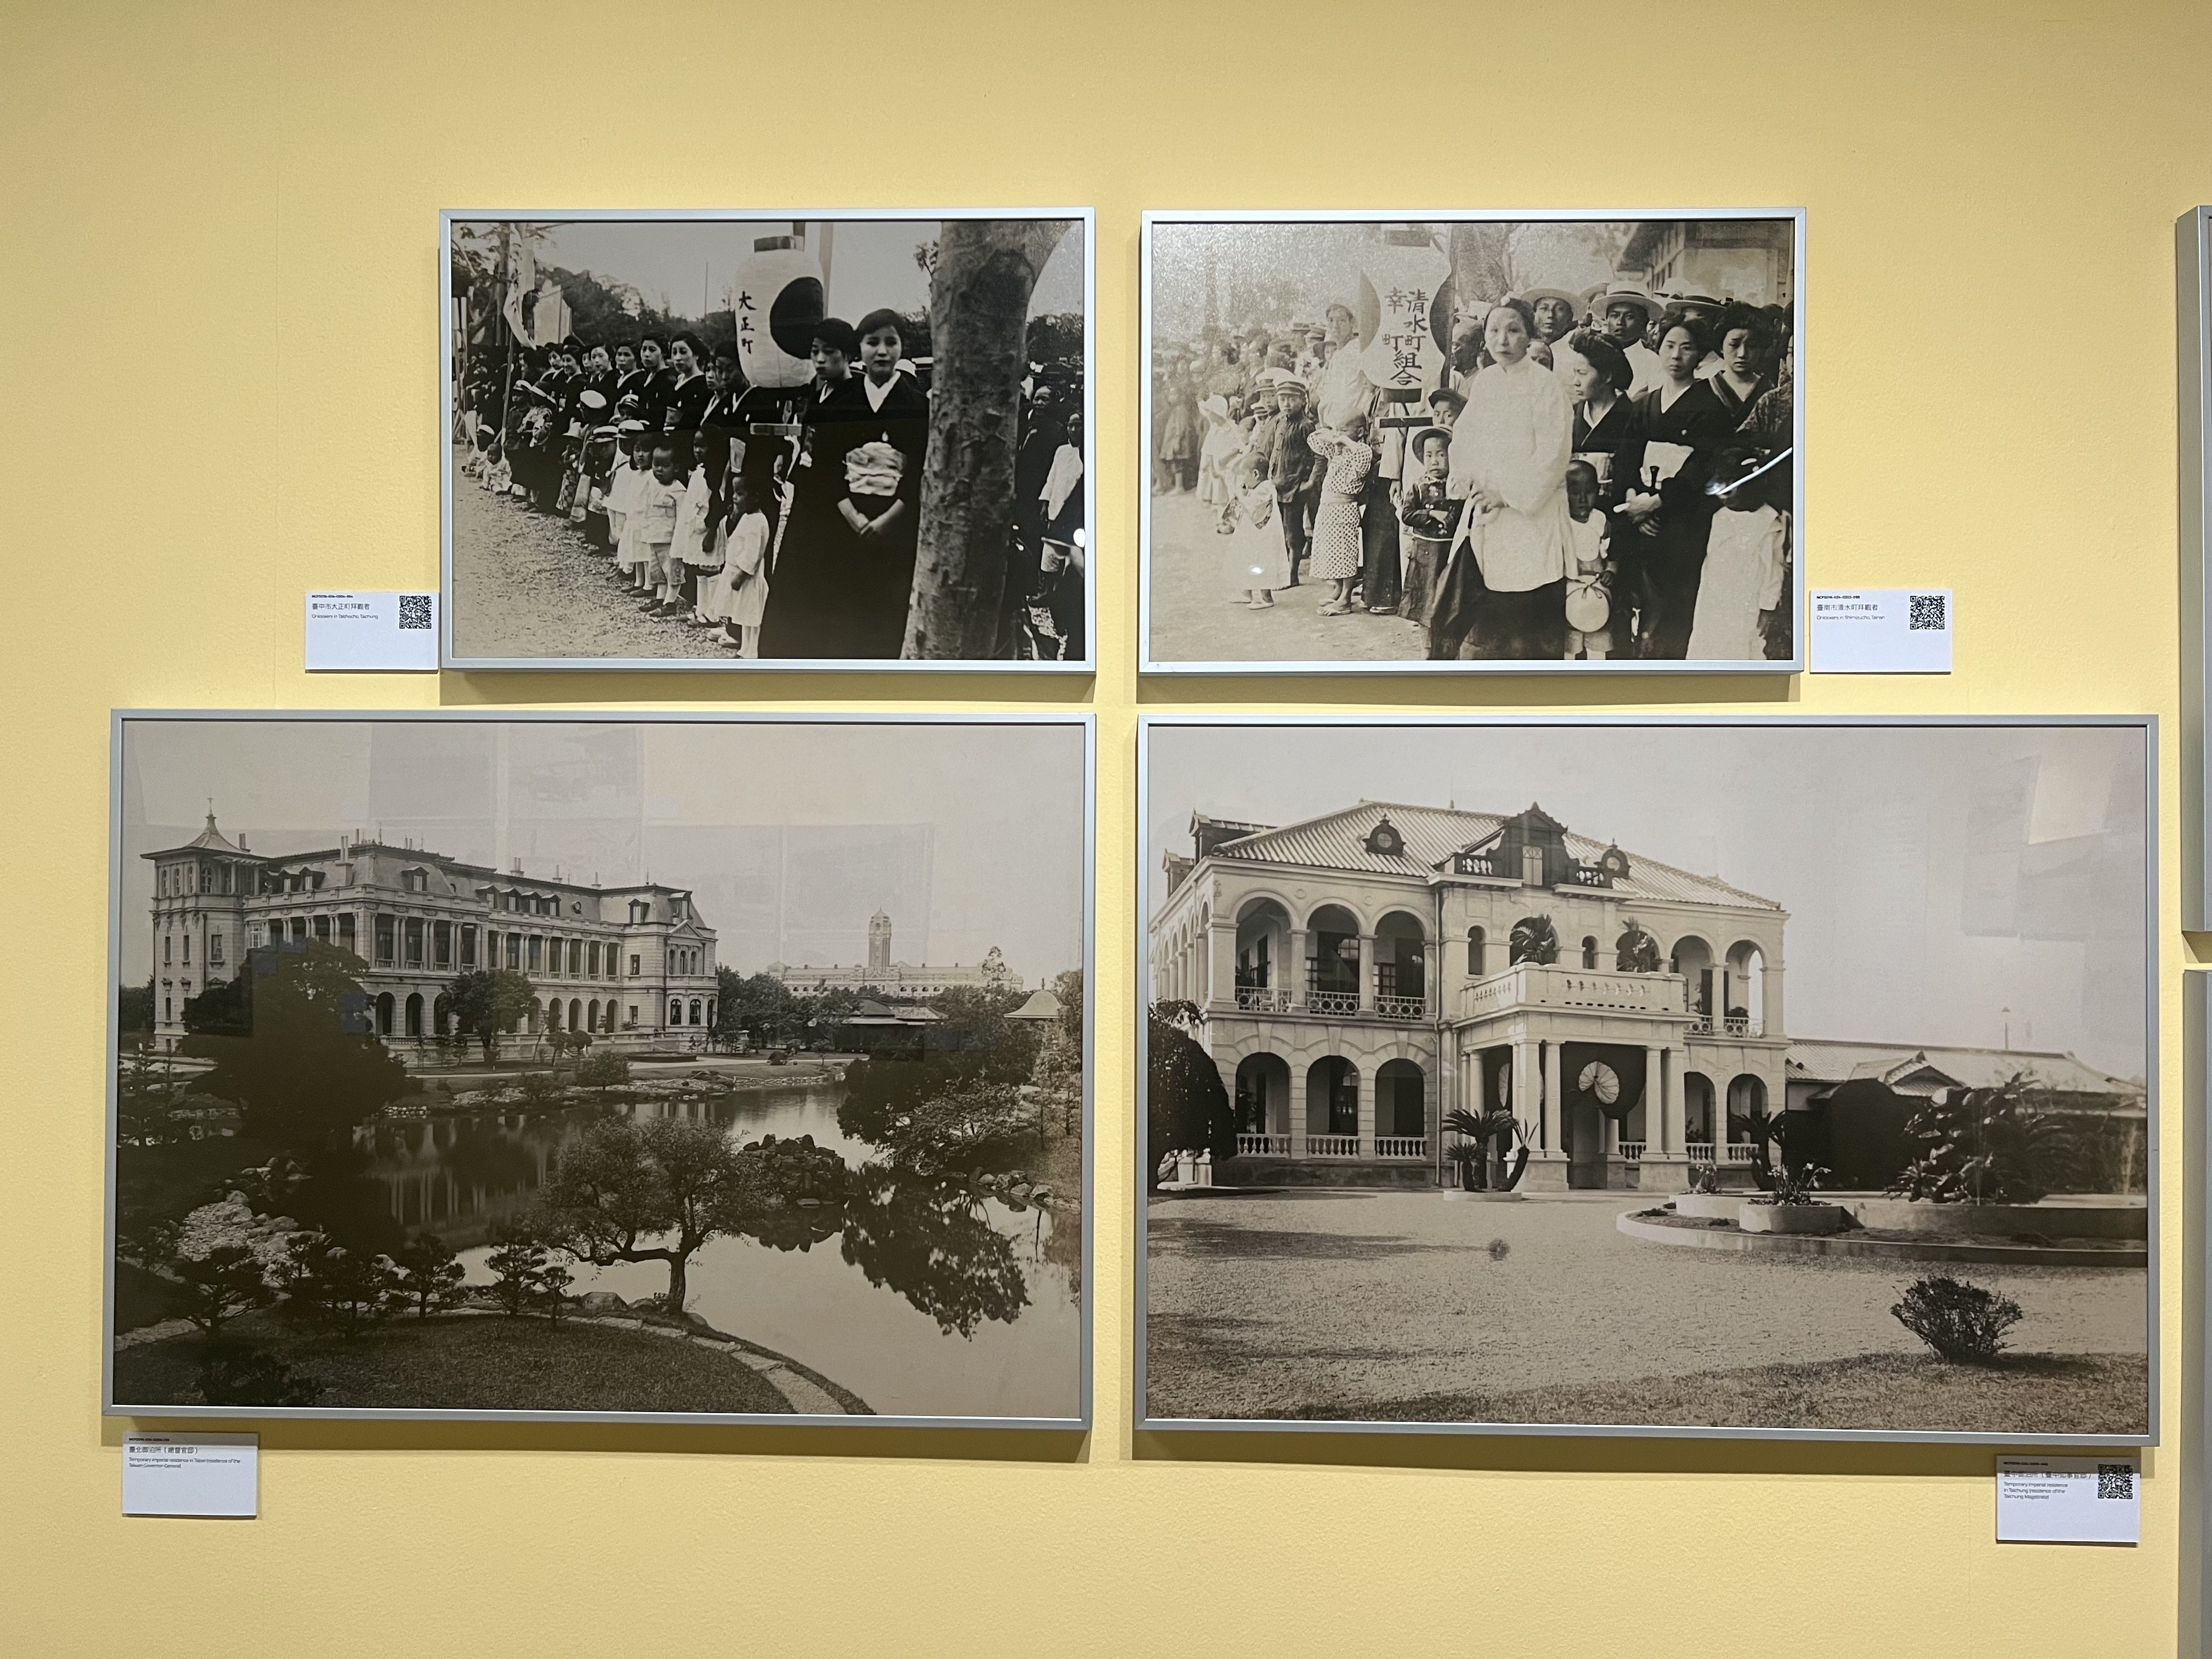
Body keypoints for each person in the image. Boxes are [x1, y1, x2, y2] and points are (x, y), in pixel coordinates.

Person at [1446, 297, 1572, 659]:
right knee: (1491, 610)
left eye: (1514, 330)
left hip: (1529, 514)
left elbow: (1554, 454)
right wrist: (1466, 479)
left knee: (1528, 613)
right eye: (1494, 331)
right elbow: (1466, 437)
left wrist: (1507, 494)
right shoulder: (1486, 382)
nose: (1503, 340)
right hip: (1488, 512)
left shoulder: (1546, 386)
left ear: (1529, 334)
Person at [1631, 314, 1737, 657]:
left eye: (1687, 348)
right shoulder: (1646, 403)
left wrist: (1659, 502)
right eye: (1669, 346)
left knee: (1677, 603)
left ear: (1700, 355)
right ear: (1658, 350)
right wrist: (1635, 502)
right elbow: (1626, 457)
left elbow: (1702, 466)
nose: (1676, 355)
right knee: (1639, 602)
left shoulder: (1710, 406)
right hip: (1641, 516)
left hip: (1682, 521)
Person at [1686, 448, 1787, 659]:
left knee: (1740, 646)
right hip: (1713, 600)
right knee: (1707, 645)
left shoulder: (1768, 521)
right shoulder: (1720, 517)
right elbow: (1711, 560)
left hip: (1745, 601)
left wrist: (1767, 608)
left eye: (1729, 490)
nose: (1723, 498)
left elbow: (1773, 569)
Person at [1306, 413, 1374, 617]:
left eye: (1345, 430)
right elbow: (1313, 439)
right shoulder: (1338, 452)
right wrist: (1332, 434)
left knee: (1345, 553)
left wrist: (1344, 440)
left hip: (1344, 509)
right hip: (1328, 508)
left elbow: (1363, 460)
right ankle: (1337, 588)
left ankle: (1345, 598)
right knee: (1330, 550)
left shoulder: (1361, 451)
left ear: (1360, 432)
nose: (1339, 435)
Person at [1397, 426, 1457, 626]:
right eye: (1429, 455)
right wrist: (1430, 514)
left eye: (1441, 455)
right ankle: (1426, 648)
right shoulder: (1419, 487)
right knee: (1425, 599)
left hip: (1449, 550)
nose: (1434, 461)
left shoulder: (1456, 487)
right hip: (1425, 552)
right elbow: (1406, 514)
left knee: (1448, 598)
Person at [1267, 374, 1321, 589]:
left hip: (1294, 487)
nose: (1287, 404)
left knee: (1293, 533)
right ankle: (1280, 570)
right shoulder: (1279, 422)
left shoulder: (1306, 426)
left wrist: (1311, 482)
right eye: (1283, 399)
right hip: (1277, 484)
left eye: (1292, 399)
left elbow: (1319, 456)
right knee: (1277, 531)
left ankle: (1293, 574)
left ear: (1302, 401)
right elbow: (1273, 452)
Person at [1560, 460, 1612, 661]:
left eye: (1589, 492)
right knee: (1569, 642)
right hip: (1570, 589)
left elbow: (1611, 553)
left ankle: (1597, 671)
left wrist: (1611, 571)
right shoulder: (1561, 522)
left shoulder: (1601, 521)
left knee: (1598, 635)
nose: (1582, 499)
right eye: (1574, 492)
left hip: (1598, 589)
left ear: (1598, 490)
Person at [1589, 281, 1663, 398]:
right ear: (1607, 320)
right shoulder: (1593, 356)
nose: (1620, 323)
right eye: (1615, 315)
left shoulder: (1652, 362)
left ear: (1643, 323)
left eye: (1629, 317)